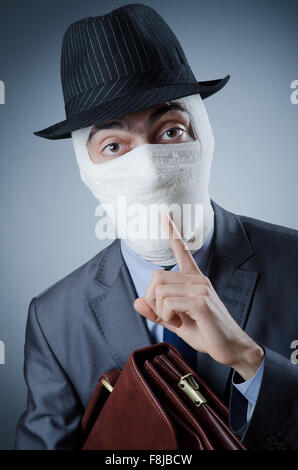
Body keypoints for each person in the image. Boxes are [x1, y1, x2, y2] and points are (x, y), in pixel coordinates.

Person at [15, 4, 298, 450]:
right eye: (113, 145)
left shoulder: (293, 262)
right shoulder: (54, 320)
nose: (147, 169)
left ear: (202, 134)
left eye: (169, 132)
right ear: (86, 166)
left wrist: (250, 359)